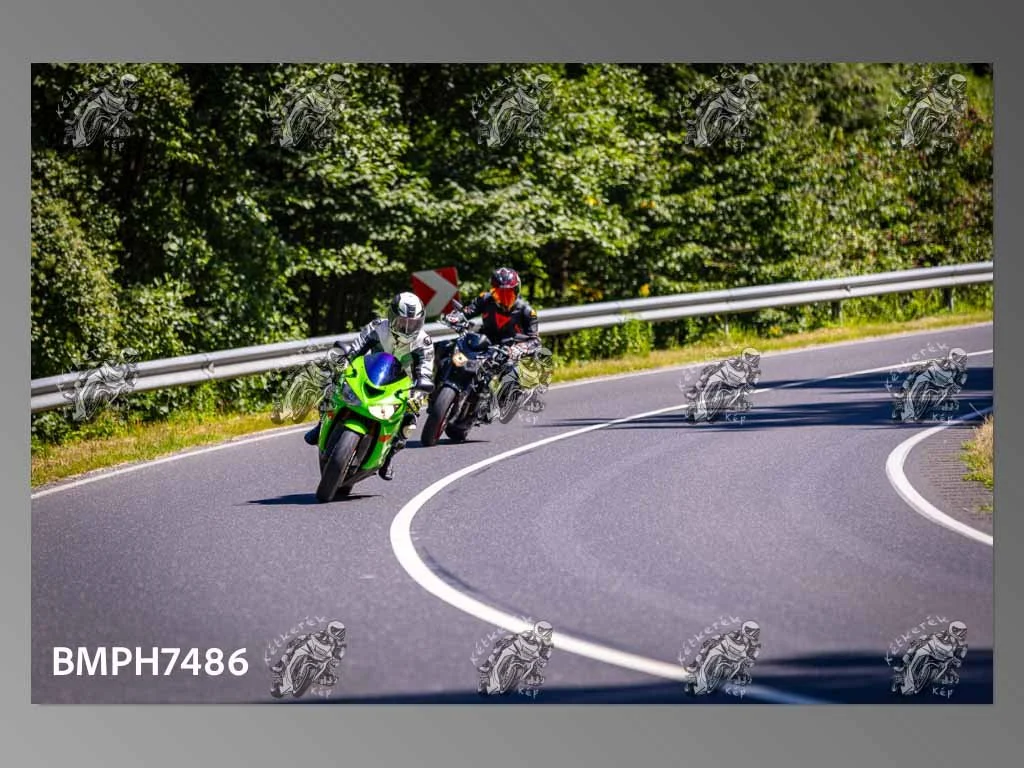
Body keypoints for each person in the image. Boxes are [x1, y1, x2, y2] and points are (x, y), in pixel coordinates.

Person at [302, 292, 434, 481]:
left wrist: (419, 390)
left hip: (402, 386)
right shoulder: (377, 327)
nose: (406, 328)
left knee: (409, 422)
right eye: (401, 322)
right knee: (332, 385)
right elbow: (356, 349)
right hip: (369, 374)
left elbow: (426, 370)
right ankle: (320, 426)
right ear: (391, 317)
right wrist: (344, 361)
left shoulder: (424, 342)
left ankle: (387, 458)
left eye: (412, 324)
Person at [443, 267, 541, 422]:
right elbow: (467, 311)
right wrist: (456, 317)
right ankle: (438, 386)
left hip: (509, 349)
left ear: (517, 291)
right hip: (484, 341)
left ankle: (495, 406)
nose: (504, 298)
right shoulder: (485, 299)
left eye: (508, 293)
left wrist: (519, 348)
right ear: (493, 291)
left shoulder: (527, 311)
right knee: (446, 347)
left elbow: (535, 340)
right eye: (499, 293)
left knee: (515, 373)